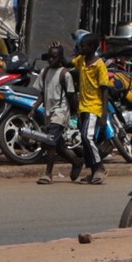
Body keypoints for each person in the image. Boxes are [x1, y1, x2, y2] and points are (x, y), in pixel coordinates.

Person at [35, 43, 80, 185]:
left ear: (60, 58)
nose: (50, 60)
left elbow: (71, 95)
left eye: (54, 57)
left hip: (60, 112)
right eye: (49, 57)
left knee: (50, 142)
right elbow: (43, 93)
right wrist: (34, 108)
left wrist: (73, 113)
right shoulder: (45, 72)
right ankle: (76, 161)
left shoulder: (65, 74)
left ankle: (48, 174)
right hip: (48, 112)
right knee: (58, 145)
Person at [72, 30, 111, 185]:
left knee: (87, 137)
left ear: (92, 48)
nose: (81, 48)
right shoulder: (81, 60)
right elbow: (70, 63)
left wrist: (104, 114)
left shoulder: (99, 65)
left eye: (84, 46)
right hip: (83, 107)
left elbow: (105, 90)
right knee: (85, 138)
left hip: (94, 107)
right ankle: (93, 172)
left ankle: (100, 167)